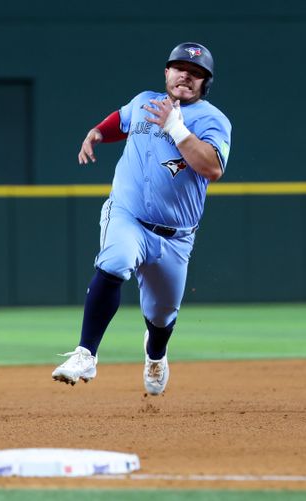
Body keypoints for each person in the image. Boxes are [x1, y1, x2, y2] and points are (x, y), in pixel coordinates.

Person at [52, 42, 232, 393]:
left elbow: (211, 167)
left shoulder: (214, 120)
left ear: (204, 84)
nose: (186, 75)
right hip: (128, 215)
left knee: (162, 315)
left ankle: (155, 355)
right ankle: (86, 353)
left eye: (195, 73)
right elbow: (121, 120)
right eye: (179, 68)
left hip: (175, 236)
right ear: (167, 72)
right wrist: (98, 133)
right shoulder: (142, 101)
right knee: (115, 262)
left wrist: (177, 128)